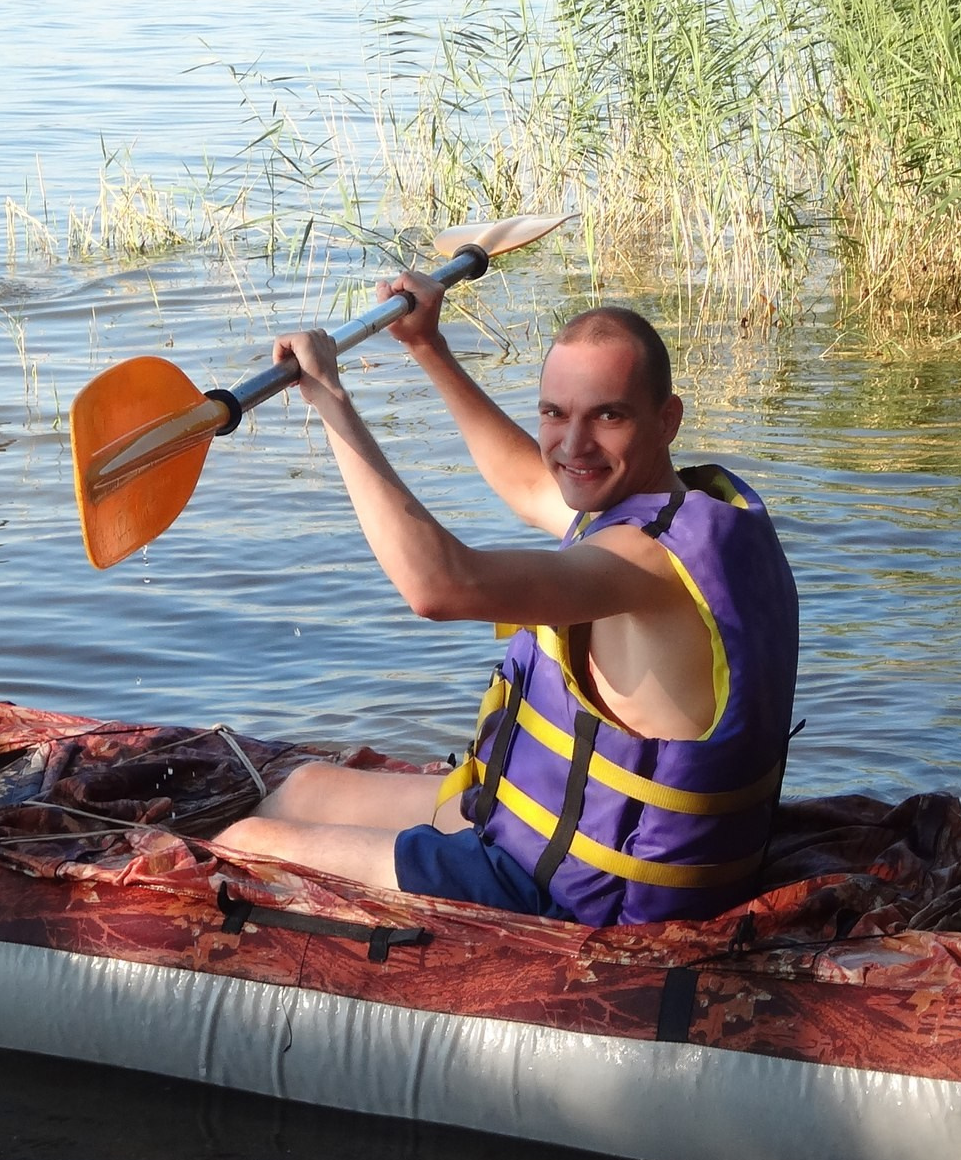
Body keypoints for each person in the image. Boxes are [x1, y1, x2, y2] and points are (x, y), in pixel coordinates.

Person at [212, 284, 797, 926]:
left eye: (608, 416)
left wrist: (331, 398)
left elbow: (438, 585)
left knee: (244, 850)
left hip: (585, 893)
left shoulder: (645, 562)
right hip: (545, 836)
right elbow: (526, 481)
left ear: (667, 419)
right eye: (554, 413)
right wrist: (428, 346)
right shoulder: (668, 506)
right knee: (306, 787)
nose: (572, 446)